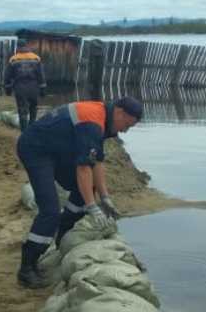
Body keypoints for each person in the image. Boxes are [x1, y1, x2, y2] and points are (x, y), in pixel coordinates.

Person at [15, 96, 144, 288]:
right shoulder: (92, 122)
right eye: (127, 124)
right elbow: (83, 168)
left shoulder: (103, 118)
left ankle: (63, 237)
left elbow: (97, 162)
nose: (125, 130)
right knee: (49, 211)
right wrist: (92, 207)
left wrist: (105, 198)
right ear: (119, 112)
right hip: (36, 150)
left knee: (86, 189)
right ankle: (27, 268)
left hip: (56, 150)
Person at [3, 38, 47, 130]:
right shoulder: (36, 58)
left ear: (18, 47)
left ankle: (24, 131)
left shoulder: (13, 59)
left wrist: (8, 89)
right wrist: (43, 89)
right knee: (33, 109)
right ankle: (32, 129)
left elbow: (7, 76)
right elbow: (41, 75)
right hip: (33, 87)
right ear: (26, 46)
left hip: (20, 88)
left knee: (22, 110)